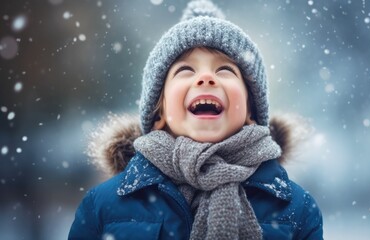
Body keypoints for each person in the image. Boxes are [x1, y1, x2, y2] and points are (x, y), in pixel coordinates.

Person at [68, 0, 323, 239]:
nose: (206, 78)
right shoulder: (104, 206)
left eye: (225, 70)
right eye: (186, 70)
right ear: (158, 113)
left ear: (251, 113)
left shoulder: (296, 210)